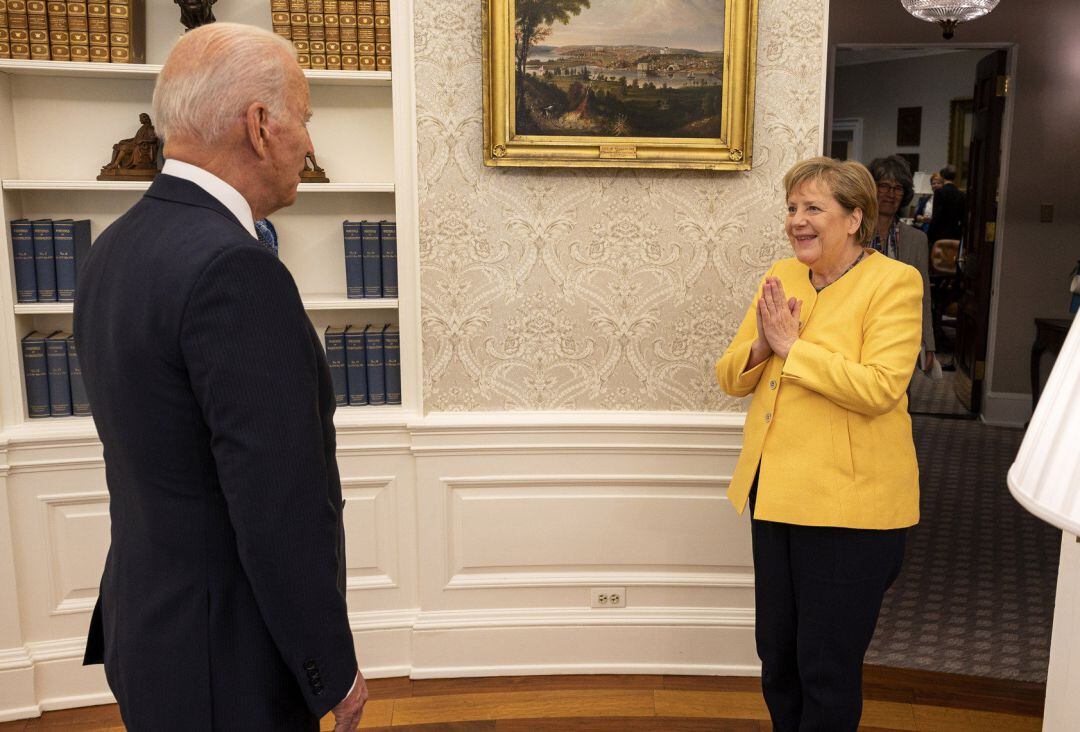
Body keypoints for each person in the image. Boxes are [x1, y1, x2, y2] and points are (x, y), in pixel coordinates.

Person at [75, 23, 367, 731]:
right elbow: (277, 509)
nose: (308, 142)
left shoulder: (113, 247)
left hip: (150, 630)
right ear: (261, 126)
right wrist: (332, 665)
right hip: (226, 662)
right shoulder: (235, 271)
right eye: (304, 117)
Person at [716, 157, 922, 731]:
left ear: (856, 217)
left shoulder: (895, 283)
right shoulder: (780, 274)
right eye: (791, 208)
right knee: (777, 657)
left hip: (850, 511)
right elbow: (731, 376)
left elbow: (881, 387)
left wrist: (792, 347)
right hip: (775, 496)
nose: (796, 221)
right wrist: (763, 345)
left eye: (813, 209)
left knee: (825, 668)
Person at [867, 155, 937, 372]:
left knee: (899, 396)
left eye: (898, 188)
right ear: (871, 188)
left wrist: (928, 342)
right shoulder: (852, 234)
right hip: (861, 331)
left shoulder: (917, 240)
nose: (890, 193)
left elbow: (922, 293)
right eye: (884, 186)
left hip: (901, 334)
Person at [926, 164, 966, 245]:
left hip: (940, 235)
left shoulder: (939, 192)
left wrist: (929, 235)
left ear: (942, 177)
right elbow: (963, 217)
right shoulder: (961, 194)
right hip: (955, 234)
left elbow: (936, 216)